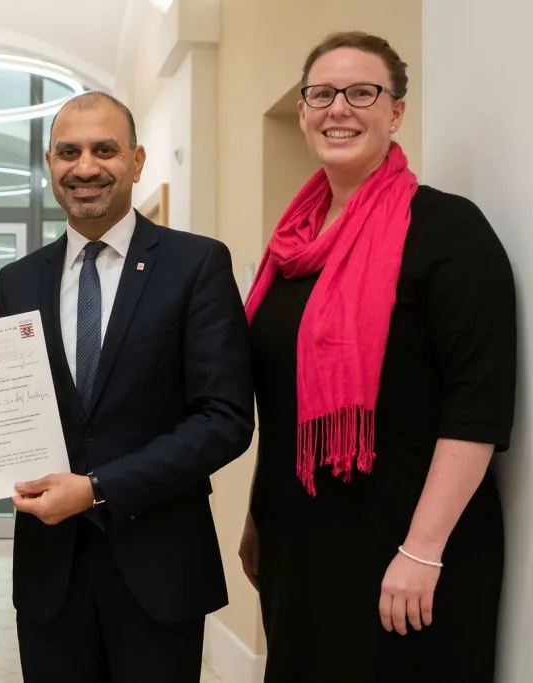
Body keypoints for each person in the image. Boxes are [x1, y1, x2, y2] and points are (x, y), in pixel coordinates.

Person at [0, 91, 255, 681]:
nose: (85, 166)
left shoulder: (195, 265)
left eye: (104, 150)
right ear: (50, 164)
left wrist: (97, 488)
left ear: (138, 161)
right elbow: (14, 408)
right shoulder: (18, 280)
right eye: (69, 151)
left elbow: (224, 419)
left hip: (158, 566)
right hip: (50, 574)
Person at [239, 31, 517, 683]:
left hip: (409, 546)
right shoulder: (289, 249)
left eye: (362, 92)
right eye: (323, 93)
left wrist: (422, 550)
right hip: (301, 545)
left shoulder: (449, 230)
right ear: (304, 111)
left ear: (395, 111)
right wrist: (258, 511)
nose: (340, 108)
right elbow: (282, 400)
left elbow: (479, 404)